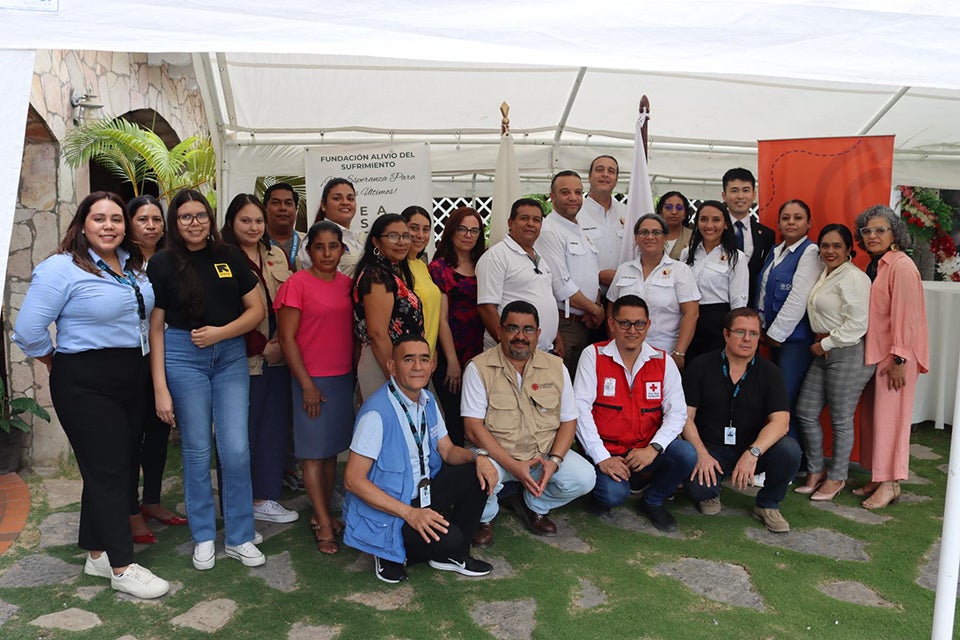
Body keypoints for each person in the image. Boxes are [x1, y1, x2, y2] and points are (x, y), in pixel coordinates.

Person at [13, 192, 170, 598]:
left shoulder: (133, 266)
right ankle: (122, 565)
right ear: (82, 224)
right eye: (99, 218)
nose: (109, 226)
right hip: (84, 380)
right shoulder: (61, 269)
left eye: (116, 219)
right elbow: (28, 331)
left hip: (131, 374)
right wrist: (54, 362)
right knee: (110, 471)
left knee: (116, 465)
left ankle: (98, 553)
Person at [147, 189, 267, 571]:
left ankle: (239, 537)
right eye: (185, 217)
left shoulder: (228, 255)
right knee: (197, 450)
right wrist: (160, 388)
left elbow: (257, 309)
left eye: (200, 215)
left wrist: (221, 333)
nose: (194, 223)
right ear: (175, 222)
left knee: (235, 448)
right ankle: (203, 535)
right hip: (184, 357)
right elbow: (156, 328)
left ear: (210, 219)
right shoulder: (163, 263)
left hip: (229, 355)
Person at [343, 335, 497, 584]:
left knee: (475, 473)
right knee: (452, 540)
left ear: (432, 364)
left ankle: (449, 552)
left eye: (424, 359)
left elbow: (447, 451)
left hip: (423, 496)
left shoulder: (428, 401)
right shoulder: (376, 413)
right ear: (392, 367)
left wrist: (478, 456)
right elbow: (352, 480)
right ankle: (389, 552)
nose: (418, 367)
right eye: (409, 359)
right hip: (394, 508)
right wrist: (411, 514)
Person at [462, 301, 595, 546]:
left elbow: (569, 421)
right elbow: (473, 427)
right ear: (500, 331)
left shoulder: (556, 367)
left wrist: (554, 462)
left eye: (528, 330)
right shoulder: (478, 367)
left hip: (540, 456)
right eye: (513, 328)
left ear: (538, 334)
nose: (520, 337)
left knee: (585, 477)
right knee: (474, 476)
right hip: (496, 456)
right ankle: (486, 518)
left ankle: (534, 504)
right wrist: (513, 466)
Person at [574, 295, 696, 531]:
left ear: (648, 325)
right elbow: (580, 410)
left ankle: (653, 501)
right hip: (608, 453)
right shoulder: (593, 355)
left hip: (645, 452)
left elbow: (678, 413)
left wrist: (654, 448)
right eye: (625, 323)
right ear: (612, 324)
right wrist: (602, 457)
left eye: (639, 323)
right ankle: (605, 490)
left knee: (686, 453)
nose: (632, 330)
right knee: (612, 495)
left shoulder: (663, 361)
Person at [681, 307, 801, 533]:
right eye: (740, 332)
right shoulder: (701, 366)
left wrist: (753, 453)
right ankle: (710, 491)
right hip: (711, 449)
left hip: (750, 448)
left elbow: (781, 422)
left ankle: (767, 504)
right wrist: (701, 454)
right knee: (699, 487)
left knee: (790, 449)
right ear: (726, 334)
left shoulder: (770, 372)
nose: (747, 339)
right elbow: (686, 417)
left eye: (753, 334)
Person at [276, 221, 356, 554]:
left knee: (330, 453)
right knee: (312, 453)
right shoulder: (296, 284)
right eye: (319, 247)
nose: (327, 253)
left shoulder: (349, 285)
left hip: (342, 377)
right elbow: (287, 338)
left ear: (342, 249)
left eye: (333, 246)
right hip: (311, 379)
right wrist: (307, 384)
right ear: (309, 251)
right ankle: (323, 521)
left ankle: (322, 513)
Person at [220, 194, 298, 525]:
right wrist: (260, 345)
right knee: (241, 435)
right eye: (245, 220)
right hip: (243, 358)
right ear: (231, 223)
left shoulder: (275, 254)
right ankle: (236, 502)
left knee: (272, 428)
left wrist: (284, 342)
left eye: (257, 221)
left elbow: (288, 302)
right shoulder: (222, 258)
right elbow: (225, 310)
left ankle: (264, 498)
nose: (253, 227)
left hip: (279, 356)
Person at [854, 205, 929, 510]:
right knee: (874, 419)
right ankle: (877, 474)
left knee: (891, 420)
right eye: (867, 231)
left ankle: (891, 483)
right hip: (877, 352)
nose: (872, 236)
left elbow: (907, 317)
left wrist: (899, 360)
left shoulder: (901, 266)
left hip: (896, 356)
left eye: (880, 230)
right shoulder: (877, 265)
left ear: (894, 233)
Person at [794, 224, 875, 500]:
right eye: (825, 246)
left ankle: (838, 477)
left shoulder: (853, 278)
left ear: (849, 249)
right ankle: (816, 470)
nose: (830, 251)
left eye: (837, 246)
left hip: (847, 351)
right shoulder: (825, 275)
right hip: (823, 350)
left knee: (840, 420)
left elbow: (858, 324)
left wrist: (825, 344)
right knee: (805, 411)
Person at [126, 195, 188, 544]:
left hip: (168, 354)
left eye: (156, 220)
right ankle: (131, 508)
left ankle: (152, 500)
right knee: (132, 436)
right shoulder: (119, 261)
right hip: (132, 358)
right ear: (130, 223)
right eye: (142, 219)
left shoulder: (171, 260)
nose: (150, 226)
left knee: (159, 430)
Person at [756, 200, 820, 453]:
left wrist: (774, 334)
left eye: (798, 218)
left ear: (809, 223)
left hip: (793, 341)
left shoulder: (810, 252)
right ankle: (779, 454)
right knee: (775, 399)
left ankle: (792, 461)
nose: (791, 222)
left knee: (786, 400)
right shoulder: (775, 250)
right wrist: (760, 327)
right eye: (786, 218)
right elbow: (762, 292)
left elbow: (798, 298)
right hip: (772, 339)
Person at [606, 214, 700, 371]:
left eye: (656, 232)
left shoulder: (680, 270)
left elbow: (691, 314)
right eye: (644, 232)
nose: (650, 237)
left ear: (665, 238)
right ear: (636, 238)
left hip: (664, 351)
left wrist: (679, 353)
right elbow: (612, 311)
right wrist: (615, 345)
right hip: (625, 352)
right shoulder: (624, 269)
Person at [536, 170, 604, 376]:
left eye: (578, 192)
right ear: (552, 196)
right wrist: (597, 310)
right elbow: (561, 285)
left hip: (585, 323)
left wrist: (596, 306)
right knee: (560, 390)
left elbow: (592, 275)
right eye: (565, 192)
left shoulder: (580, 229)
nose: (573, 198)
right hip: (565, 326)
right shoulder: (549, 230)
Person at [428, 206, 486, 446]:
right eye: (462, 229)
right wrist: (452, 361)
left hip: (481, 352)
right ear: (451, 231)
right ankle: (456, 474)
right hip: (451, 352)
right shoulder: (439, 268)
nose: (468, 235)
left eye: (474, 230)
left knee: (480, 416)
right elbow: (441, 319)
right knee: (455, 419)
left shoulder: (485, 265)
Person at [352, 213, 424, 400]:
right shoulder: (376, 276)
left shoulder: (390, 272)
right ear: (376, 242)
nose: (401, 242)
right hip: (384, 363)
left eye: (405, 236)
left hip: (401, 363)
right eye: (393, 236)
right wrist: (396, 378)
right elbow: (377, 334)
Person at [477, 198, 561, 354]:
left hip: (543, 353)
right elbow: (486, 308)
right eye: (524, 218)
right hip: (512, 354)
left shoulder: (540, 258)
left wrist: (556, 337)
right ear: (510, 222)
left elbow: (545, 299)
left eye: (536, 220)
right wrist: (509, 346)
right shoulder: (496, 256)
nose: (531, 223)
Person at [681, 200, 748, 363]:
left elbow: (738, 300)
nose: (709, 225)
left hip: (717, 323)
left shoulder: (736, 257)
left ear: (726, 224)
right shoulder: (686, 253)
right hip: (687, 321)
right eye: (703, 219)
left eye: (716, 220)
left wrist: (737, 333)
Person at [721, 168, 774, 306]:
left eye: (745, 190)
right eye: (734, 191)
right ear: (724, 195)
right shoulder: (715, 230)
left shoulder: (767, 234)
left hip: (752, 306)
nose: (740, 196)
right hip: (719, 305)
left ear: (754, 194)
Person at [400, 205, 445, 356]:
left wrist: (433, 352)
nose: (420, 235)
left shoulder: (422, 266)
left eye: (425, 230)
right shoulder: (395, 268)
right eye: (414, 228)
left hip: (427, 357)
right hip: (408, 359)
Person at [578, 155, 625, 294]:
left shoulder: (628, 212)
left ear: (616, 180)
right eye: (599, 170)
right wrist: (598, 275)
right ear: (589, 177)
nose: (605, 174)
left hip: (622, 295)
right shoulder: (576, 212)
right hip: (587, 294)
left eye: (611, 171)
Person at [303, 178, 364, 276]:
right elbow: (319, 281)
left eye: (350, 199)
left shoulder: (359, 236)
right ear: (323, 205)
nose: (345, 202)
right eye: (337, 198)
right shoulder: (314, 239)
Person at [263, 182, 304, 270]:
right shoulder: (255, 244)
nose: (283, 208)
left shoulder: (308, 243)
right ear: (264, 209)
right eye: (276, 203)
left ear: (295, 209)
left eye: (288, 203)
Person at [659, 191, 694, 260]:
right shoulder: (651, 235)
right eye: (668, 207)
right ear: (660, 212)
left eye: (679, 208)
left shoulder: (693, 237)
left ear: (685, 213)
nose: (674, 212)